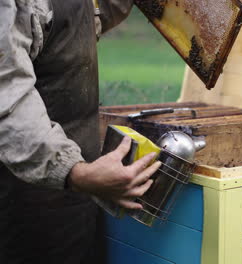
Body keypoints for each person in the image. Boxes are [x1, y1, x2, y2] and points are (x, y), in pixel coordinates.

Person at [0, 0, 159, 263]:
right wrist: (77, 172)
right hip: (23, 204)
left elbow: (73, 27)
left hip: (78, 197)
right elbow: (7, 95)